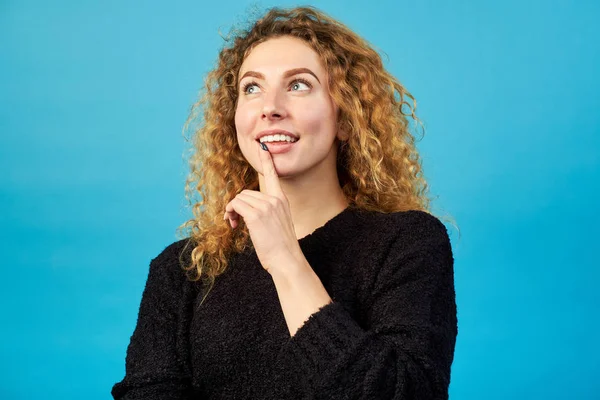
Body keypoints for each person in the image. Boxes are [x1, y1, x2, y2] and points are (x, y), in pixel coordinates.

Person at [112, 5, 458, 400]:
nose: (270, 106)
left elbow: (405, 393)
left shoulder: (408, 243)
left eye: (298, 85)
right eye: (252, 88)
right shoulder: (183, 270)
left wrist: (286, 260)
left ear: (345, 119)